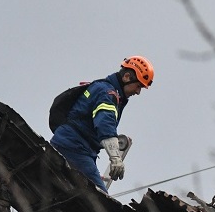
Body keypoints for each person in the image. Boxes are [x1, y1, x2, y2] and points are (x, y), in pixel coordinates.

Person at [50, 56, 154, 192]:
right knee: (102, 203)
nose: (138, 92)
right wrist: (115, 158)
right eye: (138, 85)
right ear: (127, 77)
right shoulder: (107, 94)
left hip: (74, 146)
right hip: (75, 148)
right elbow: (105, 124)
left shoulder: (102, 88)